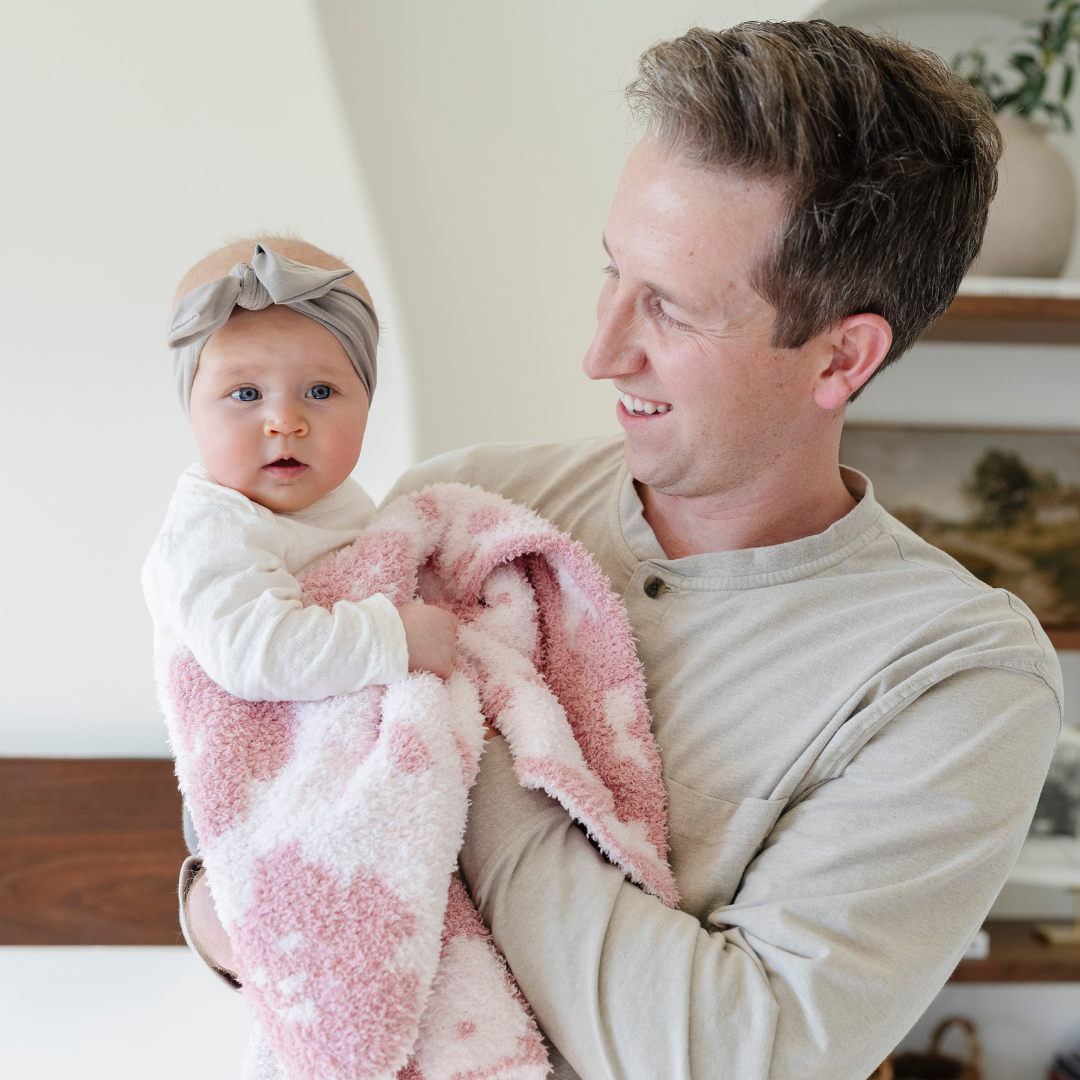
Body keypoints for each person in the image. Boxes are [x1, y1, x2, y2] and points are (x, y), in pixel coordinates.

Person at [382, 21, 1062, 1080]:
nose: (600, 351)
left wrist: (450, 727)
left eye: (670, 308)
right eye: (612, 272)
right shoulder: (458, 508)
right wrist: (219, 916)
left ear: (842, 356)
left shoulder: (953, 678)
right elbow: (262, 833)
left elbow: (722, 1057)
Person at [142, 237, 458, 981]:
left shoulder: (339, 506)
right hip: (254, 780)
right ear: (192, 406)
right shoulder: (213, 527)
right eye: (245, 394)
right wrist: (392, 636)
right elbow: (256, 653)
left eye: (320, 392)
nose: (284, 421)